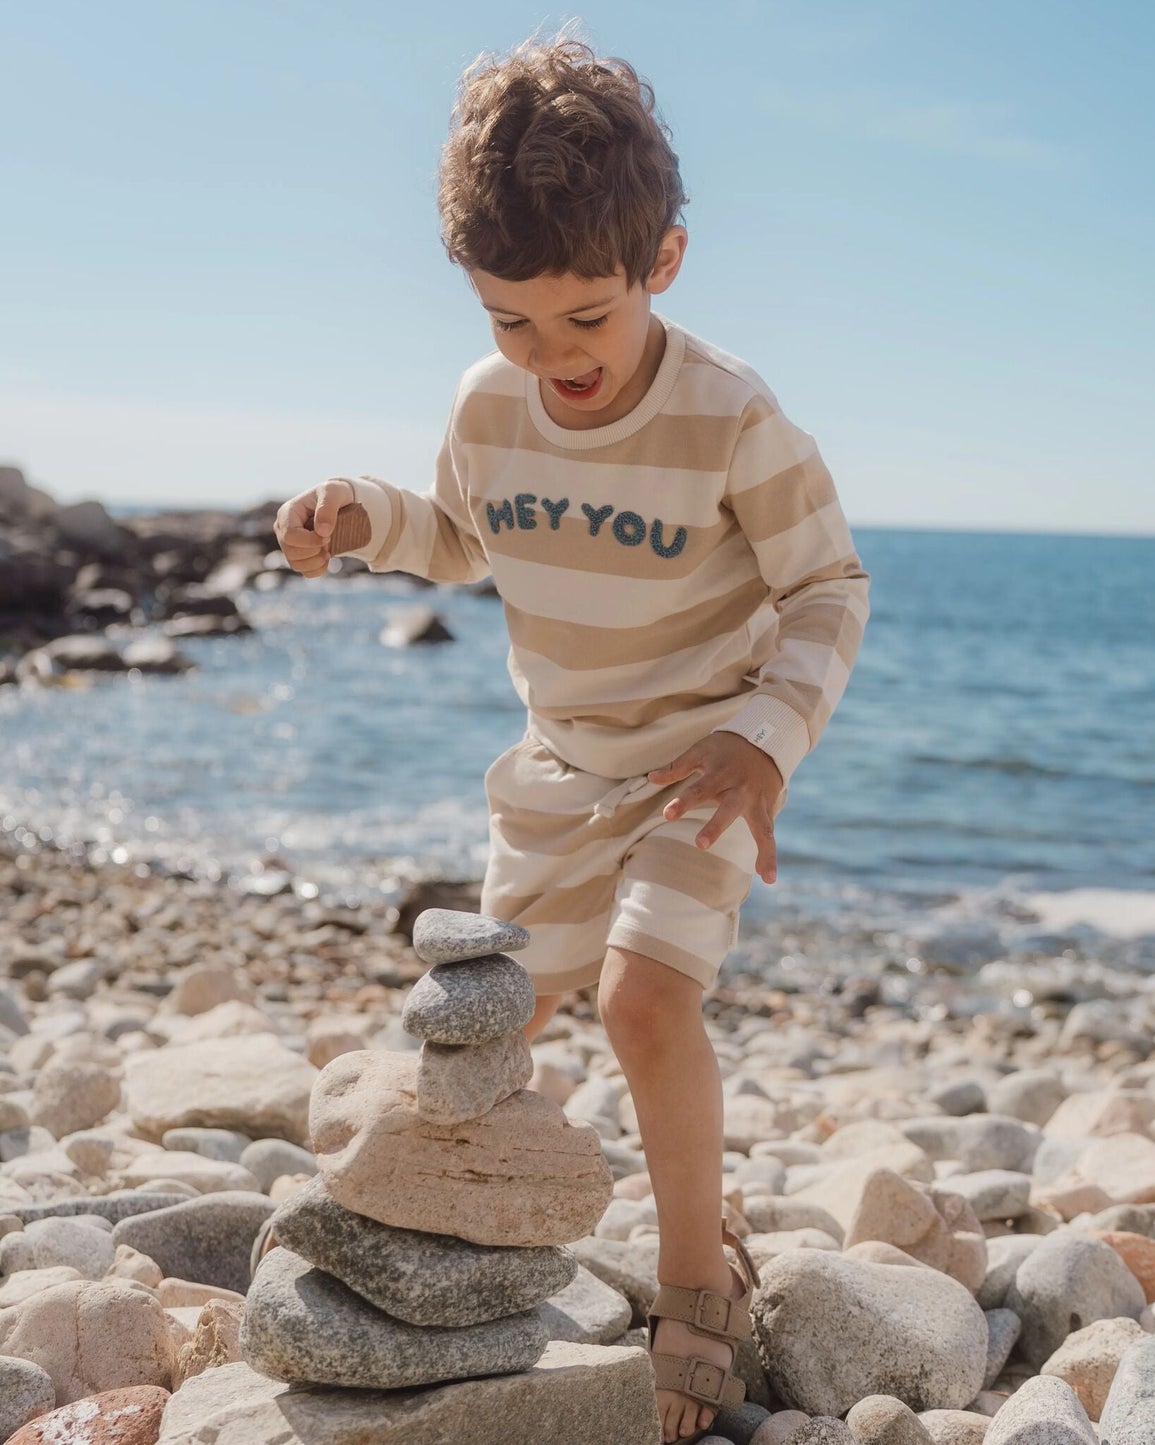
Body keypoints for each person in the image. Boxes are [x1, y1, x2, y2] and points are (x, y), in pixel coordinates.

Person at [274, 28, 869, 1444]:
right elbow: (459, 539)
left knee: (642, 999)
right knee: (493, 1037)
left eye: (584, 319)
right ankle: (470, 1265)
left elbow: (828, 588)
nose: (554, 357)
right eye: (513, 322)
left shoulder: (730, 418)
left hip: (695, 766)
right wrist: (365, 516)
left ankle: (687, 1290)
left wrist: (766, 739)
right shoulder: (490, 406)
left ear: (660, 262)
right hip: (555, 773)